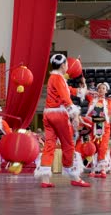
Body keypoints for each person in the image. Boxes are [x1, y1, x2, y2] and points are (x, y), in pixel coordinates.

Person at [34, 54, 90, 188]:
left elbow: (68, 90)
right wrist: (75, 115)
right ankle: (73, 175)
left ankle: (45, 180)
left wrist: (84, 90)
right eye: (66, 64)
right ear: (63, 65)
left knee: (49, 145)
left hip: (48, 114)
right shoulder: (59, 78)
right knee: (68, 145)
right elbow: (65, 97)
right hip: (59, 115)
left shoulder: (53, 78)